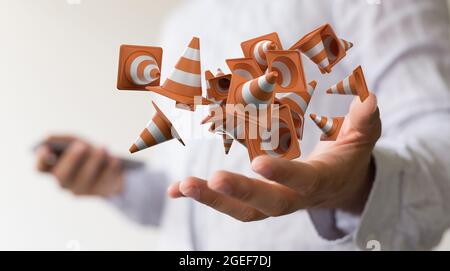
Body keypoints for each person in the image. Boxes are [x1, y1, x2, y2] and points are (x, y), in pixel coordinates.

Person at [35, 0, 450, 250]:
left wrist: (355, 188)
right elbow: (192, 198)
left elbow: (440, 138)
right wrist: (114, 182)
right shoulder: (182, 22)